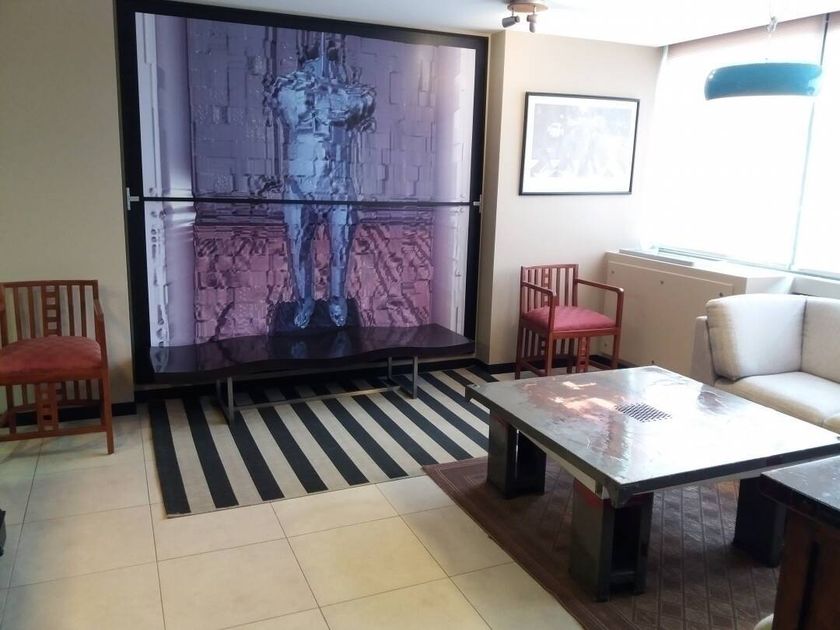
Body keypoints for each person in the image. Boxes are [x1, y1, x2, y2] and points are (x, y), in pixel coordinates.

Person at [264, 32, 375, 329]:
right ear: (305, 63)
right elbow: (295, 110)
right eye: (316, 62)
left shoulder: (350, 94)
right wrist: (324, 90)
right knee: (298, 249)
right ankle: (305, 302)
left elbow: (363, 103)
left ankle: (336, 300)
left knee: (340, 250)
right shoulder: (289, 88)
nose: (323, 67)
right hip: (299, 188)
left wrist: (329, 89)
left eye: (330, 61)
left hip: (339, 189)